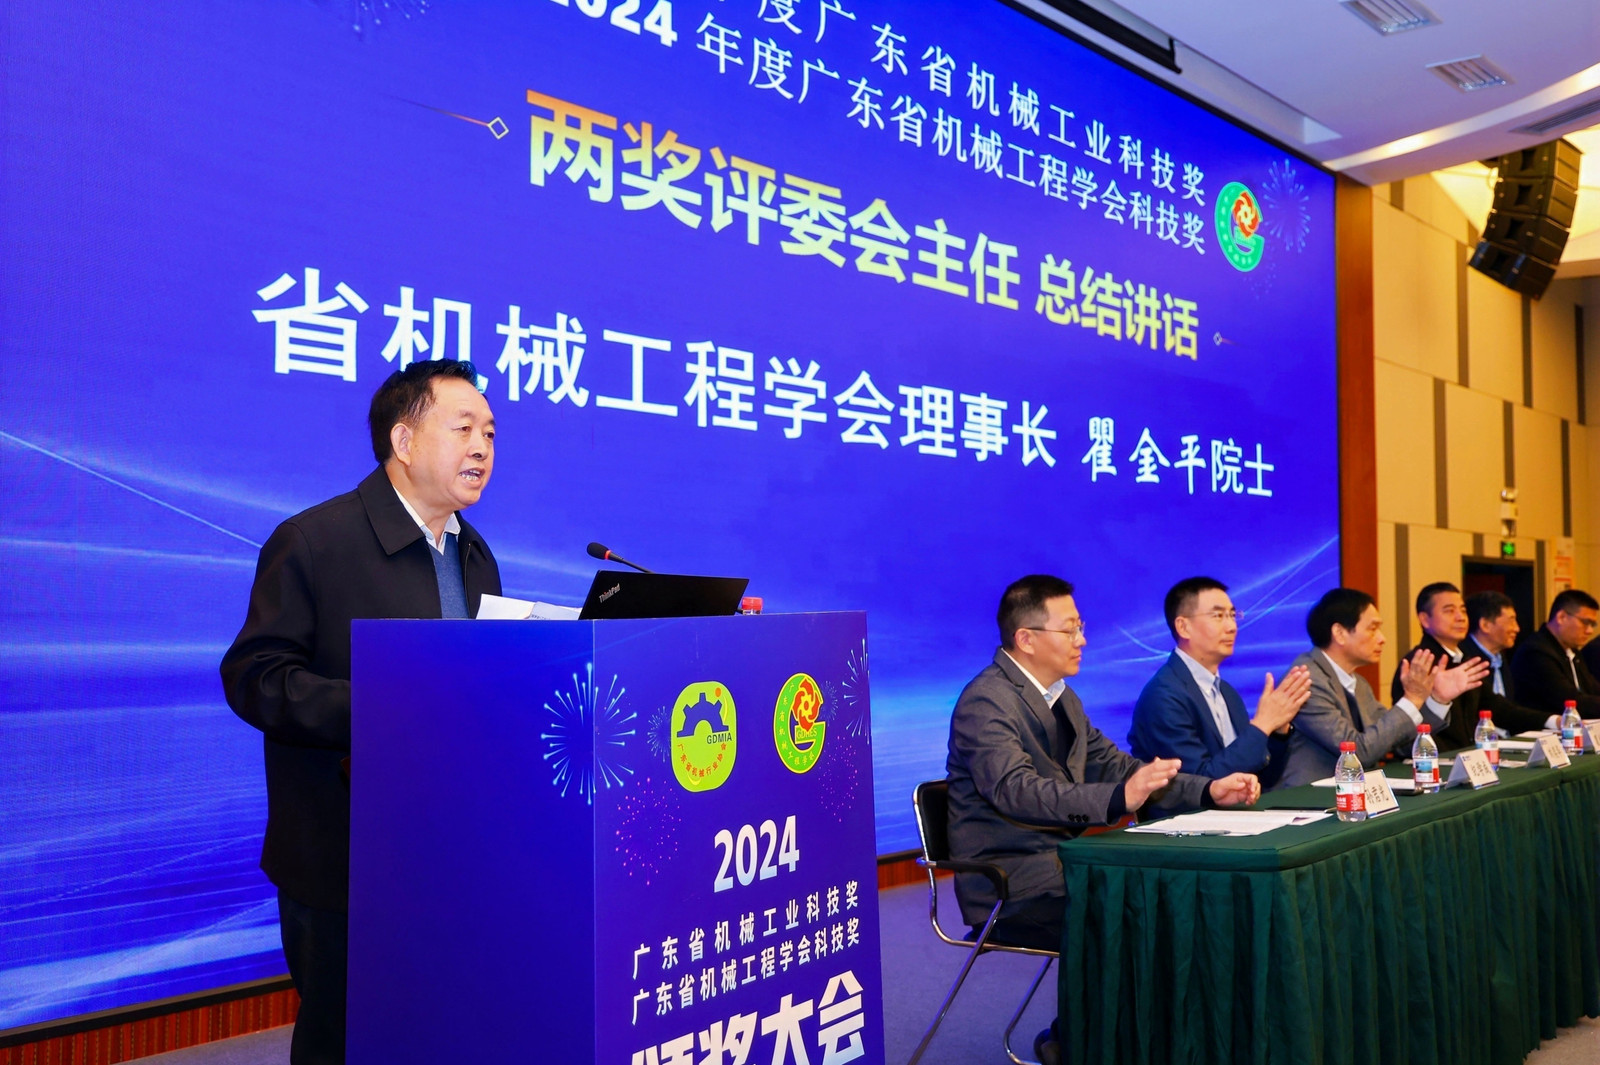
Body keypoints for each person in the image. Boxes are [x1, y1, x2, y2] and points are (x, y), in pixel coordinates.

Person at [220, 360, 501, 1065]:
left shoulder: (475, 555)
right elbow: (254, 676)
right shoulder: (315, 541)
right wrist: (379, 705)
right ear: (403, 441)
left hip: (453, 850)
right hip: (342, 859)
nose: (481, 447)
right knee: (344, 1041)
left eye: (491, 433)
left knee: (438, 1032)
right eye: (464, 428)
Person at [1272, 588, 1485, 789]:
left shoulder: (1358, 683)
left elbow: (1398, 742)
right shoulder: (1307, 680)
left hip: (1352, 791)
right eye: (1372, 629)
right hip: (1309, 799)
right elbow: (1357, 751)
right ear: (1339, 633)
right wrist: (1412, 700)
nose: (1382, 639)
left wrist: (1437, 700)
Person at [1128, 576, 1310, 787]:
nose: (1232, 626)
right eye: (1218, 616)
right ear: (1183, 627)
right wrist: (1263, 724)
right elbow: (1200, 784)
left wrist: (1278, 730)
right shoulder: (1164, 696)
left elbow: (1260, 779)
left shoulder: (1227, 692)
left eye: (1232, 615)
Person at [1390, 582, 1549, 747]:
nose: (1460, 617)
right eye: (1449, 611)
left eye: (1463, 610)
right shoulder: (1418, 665)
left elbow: (1496, 708)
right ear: (1425, 619)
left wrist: (1551, 720)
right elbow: (1409, 734)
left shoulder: (1464, 658)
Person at [1458, 590, 1560, 733]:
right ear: (1485, 625)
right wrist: (1552, 721)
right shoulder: (1465, 660)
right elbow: (1498, 709)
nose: (1517, 628)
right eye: (1511, 620)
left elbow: (1509, 710)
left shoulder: (1499, 658)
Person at [1509, 589, 1600, 717]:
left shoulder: (1572, 650)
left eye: (1592, 624)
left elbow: (1592, 688)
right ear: (1561, 617)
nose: (1590, 631)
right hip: (1542, 727)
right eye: (1585, 623)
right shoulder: (1536, 652)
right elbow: (1570, 700)